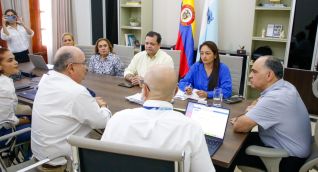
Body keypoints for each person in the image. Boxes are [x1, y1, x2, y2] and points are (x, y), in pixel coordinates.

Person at [101, 65, 215, 172]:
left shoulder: (117, 119)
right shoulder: (191, 128)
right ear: (175, 92)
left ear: (144, 89)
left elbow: (101, 162)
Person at [31, 46, 112, 171]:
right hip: (62, 165)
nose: (87, 67)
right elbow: (102, 122)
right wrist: (103, 106)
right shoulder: (77, 92)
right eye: (83, 63)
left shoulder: (47, 80)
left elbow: (65, 103)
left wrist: (88, 102)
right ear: (71, 67)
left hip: (40, 159)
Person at [230, 56, 311, 172]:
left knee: (229, 151)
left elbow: (239, 126)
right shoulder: (285, 86)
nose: (250, 75)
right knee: (238, 141)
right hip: (287, 145)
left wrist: (247, 116)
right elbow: (258, 100)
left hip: (287, 160)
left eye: (254, 72)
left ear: (269, 75)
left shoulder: (276, 98)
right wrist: (254, 110)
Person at [0, 47, 31, 145]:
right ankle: (31, 158)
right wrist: (24, 120)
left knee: (33, 117)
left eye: (14, 59)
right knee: (40, 127)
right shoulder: (4, 88)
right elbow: (9, 121)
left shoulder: (4, 80)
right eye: (10, 60)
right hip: (3, 133)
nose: (16, 62)